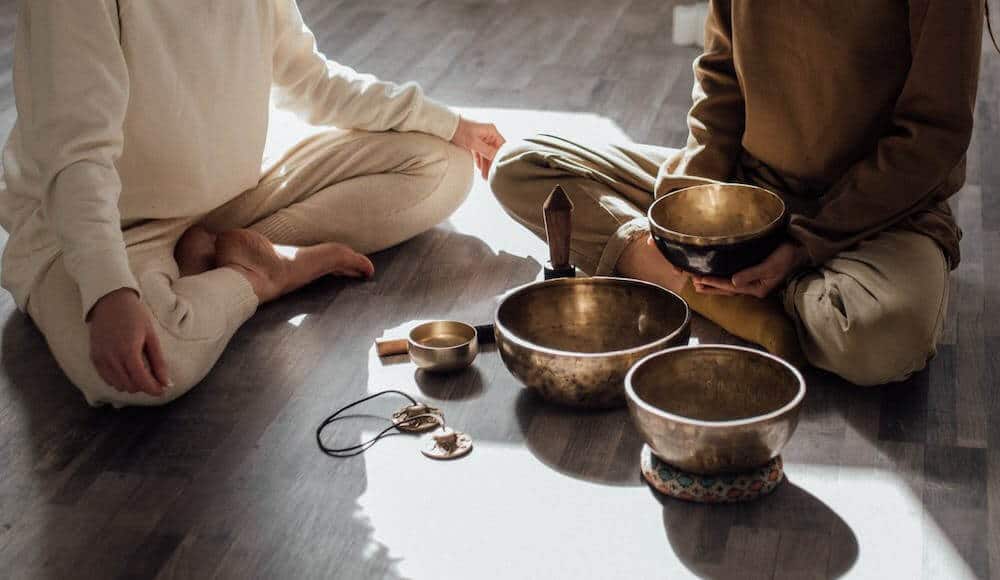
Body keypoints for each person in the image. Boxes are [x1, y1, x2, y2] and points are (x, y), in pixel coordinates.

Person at [0, 0, 505, 407]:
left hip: (230, 195)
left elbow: (310, 80)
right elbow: (76, 157)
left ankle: (218, 254)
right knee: (150, 369)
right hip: (106, 224)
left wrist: (448, 122)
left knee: (442, 165)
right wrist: (109, 292)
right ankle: (262, 277)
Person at [490, 0, 985, 386]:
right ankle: (731, 296)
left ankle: (720, 285)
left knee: (878, 337)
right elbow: (720, 78)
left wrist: (801, 247)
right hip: (747, 195)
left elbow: (934, 133)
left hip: (878, 216)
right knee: (524, 167)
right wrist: (689, 216)